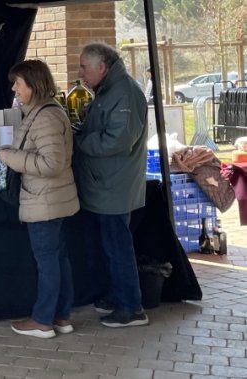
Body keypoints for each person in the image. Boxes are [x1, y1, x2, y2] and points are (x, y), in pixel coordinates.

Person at [0, 59, 79, 339]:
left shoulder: (45, 116)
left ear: (33, 85)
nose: (14, 89)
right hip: (50, 198)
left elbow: (51, 164)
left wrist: (9, 156)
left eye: (18, 83)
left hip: (45, 200)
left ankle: (43, 320)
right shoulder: (42, 112)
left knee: (47, 260)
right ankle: (61, 316)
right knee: (57, 258)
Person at [73, 42, 149, 328]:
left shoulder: (125, 93)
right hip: (102, 184)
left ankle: (131, 307)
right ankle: (115, 296)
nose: (80, 73)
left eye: (84, 66)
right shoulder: (107, 90)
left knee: (118, 246)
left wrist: (78, 142)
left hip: (114, 185)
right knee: (106, 245)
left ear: (102, 67)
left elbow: (117, 140)